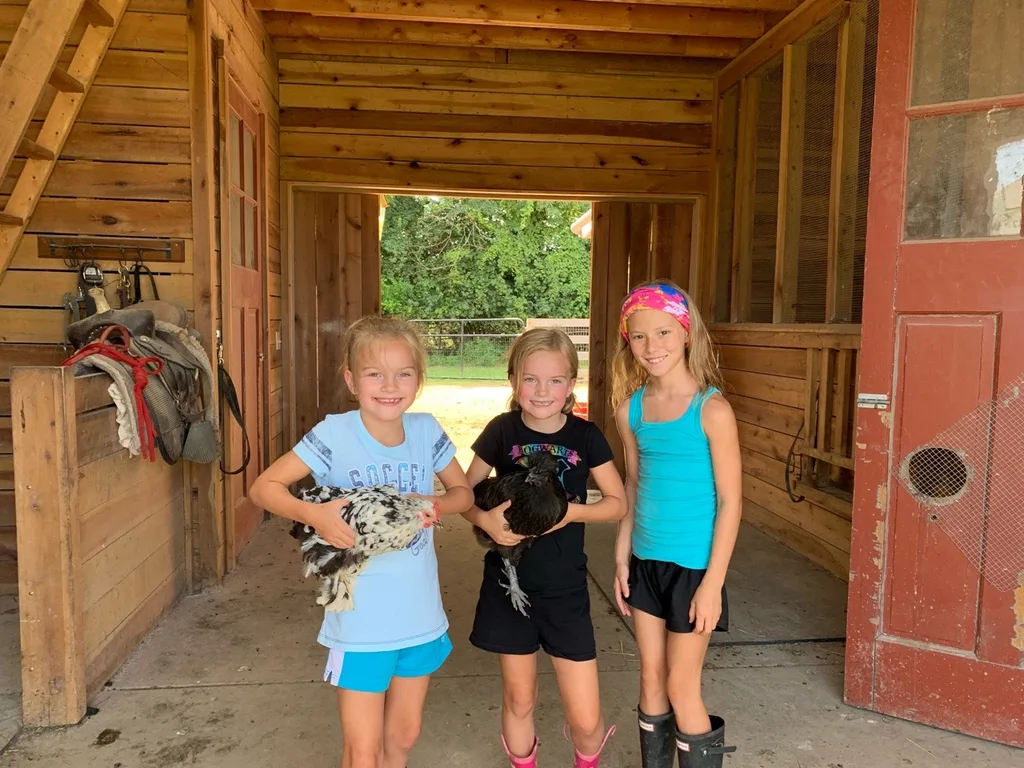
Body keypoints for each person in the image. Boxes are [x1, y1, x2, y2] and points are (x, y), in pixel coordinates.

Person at [249, 315, 474, 768]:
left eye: (403, 373)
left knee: (404, 736)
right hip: (360, 624)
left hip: (420, 614)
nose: (389, 385)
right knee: (362, 750)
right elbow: (263, 487)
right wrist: (313, 514)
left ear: (418, 379)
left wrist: (432, 504)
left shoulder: (426, 431)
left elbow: (463, 492)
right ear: (352, 380)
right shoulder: (335, 433)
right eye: (375, 373)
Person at [463, 327, 628, 768]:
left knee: (586, 718)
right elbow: (463, 492)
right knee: (519, 700)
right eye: (530, 379)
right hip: (508, 582)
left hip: (564, 588)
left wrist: (569, 513)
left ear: (571, 384)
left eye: (554, 380)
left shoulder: (586, 436)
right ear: (514, 380)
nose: (542, 391)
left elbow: (616, 504)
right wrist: (484, 520)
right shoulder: (502, 430)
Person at [610, 281, 742, 768]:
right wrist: (622, 557)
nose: (652, 346)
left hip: (693, 571)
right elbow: (632, 486)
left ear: (686, 333)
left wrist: (713, 584)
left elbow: (731, 503)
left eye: (663, 332)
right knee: (650, 677)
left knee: (682, 683)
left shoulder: (712, 410)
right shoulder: (631, 410)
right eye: (639, 336)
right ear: (628, 340)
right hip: (645, 563)